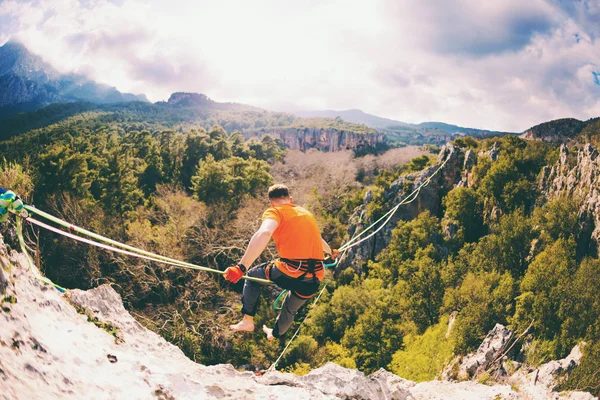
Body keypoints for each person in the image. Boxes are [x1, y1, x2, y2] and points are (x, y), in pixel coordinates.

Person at [224, 184, 335, 340]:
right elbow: (319, 240)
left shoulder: (275, 212)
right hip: (315, 277)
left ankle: (247, 320)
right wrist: (331, 252)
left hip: (290, 271)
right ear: (290, 200)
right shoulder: (306, 213)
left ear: (271, 202)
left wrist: (241, 267)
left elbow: (265, 232)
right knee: (290, 309)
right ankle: (275, 334)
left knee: (252, 278)